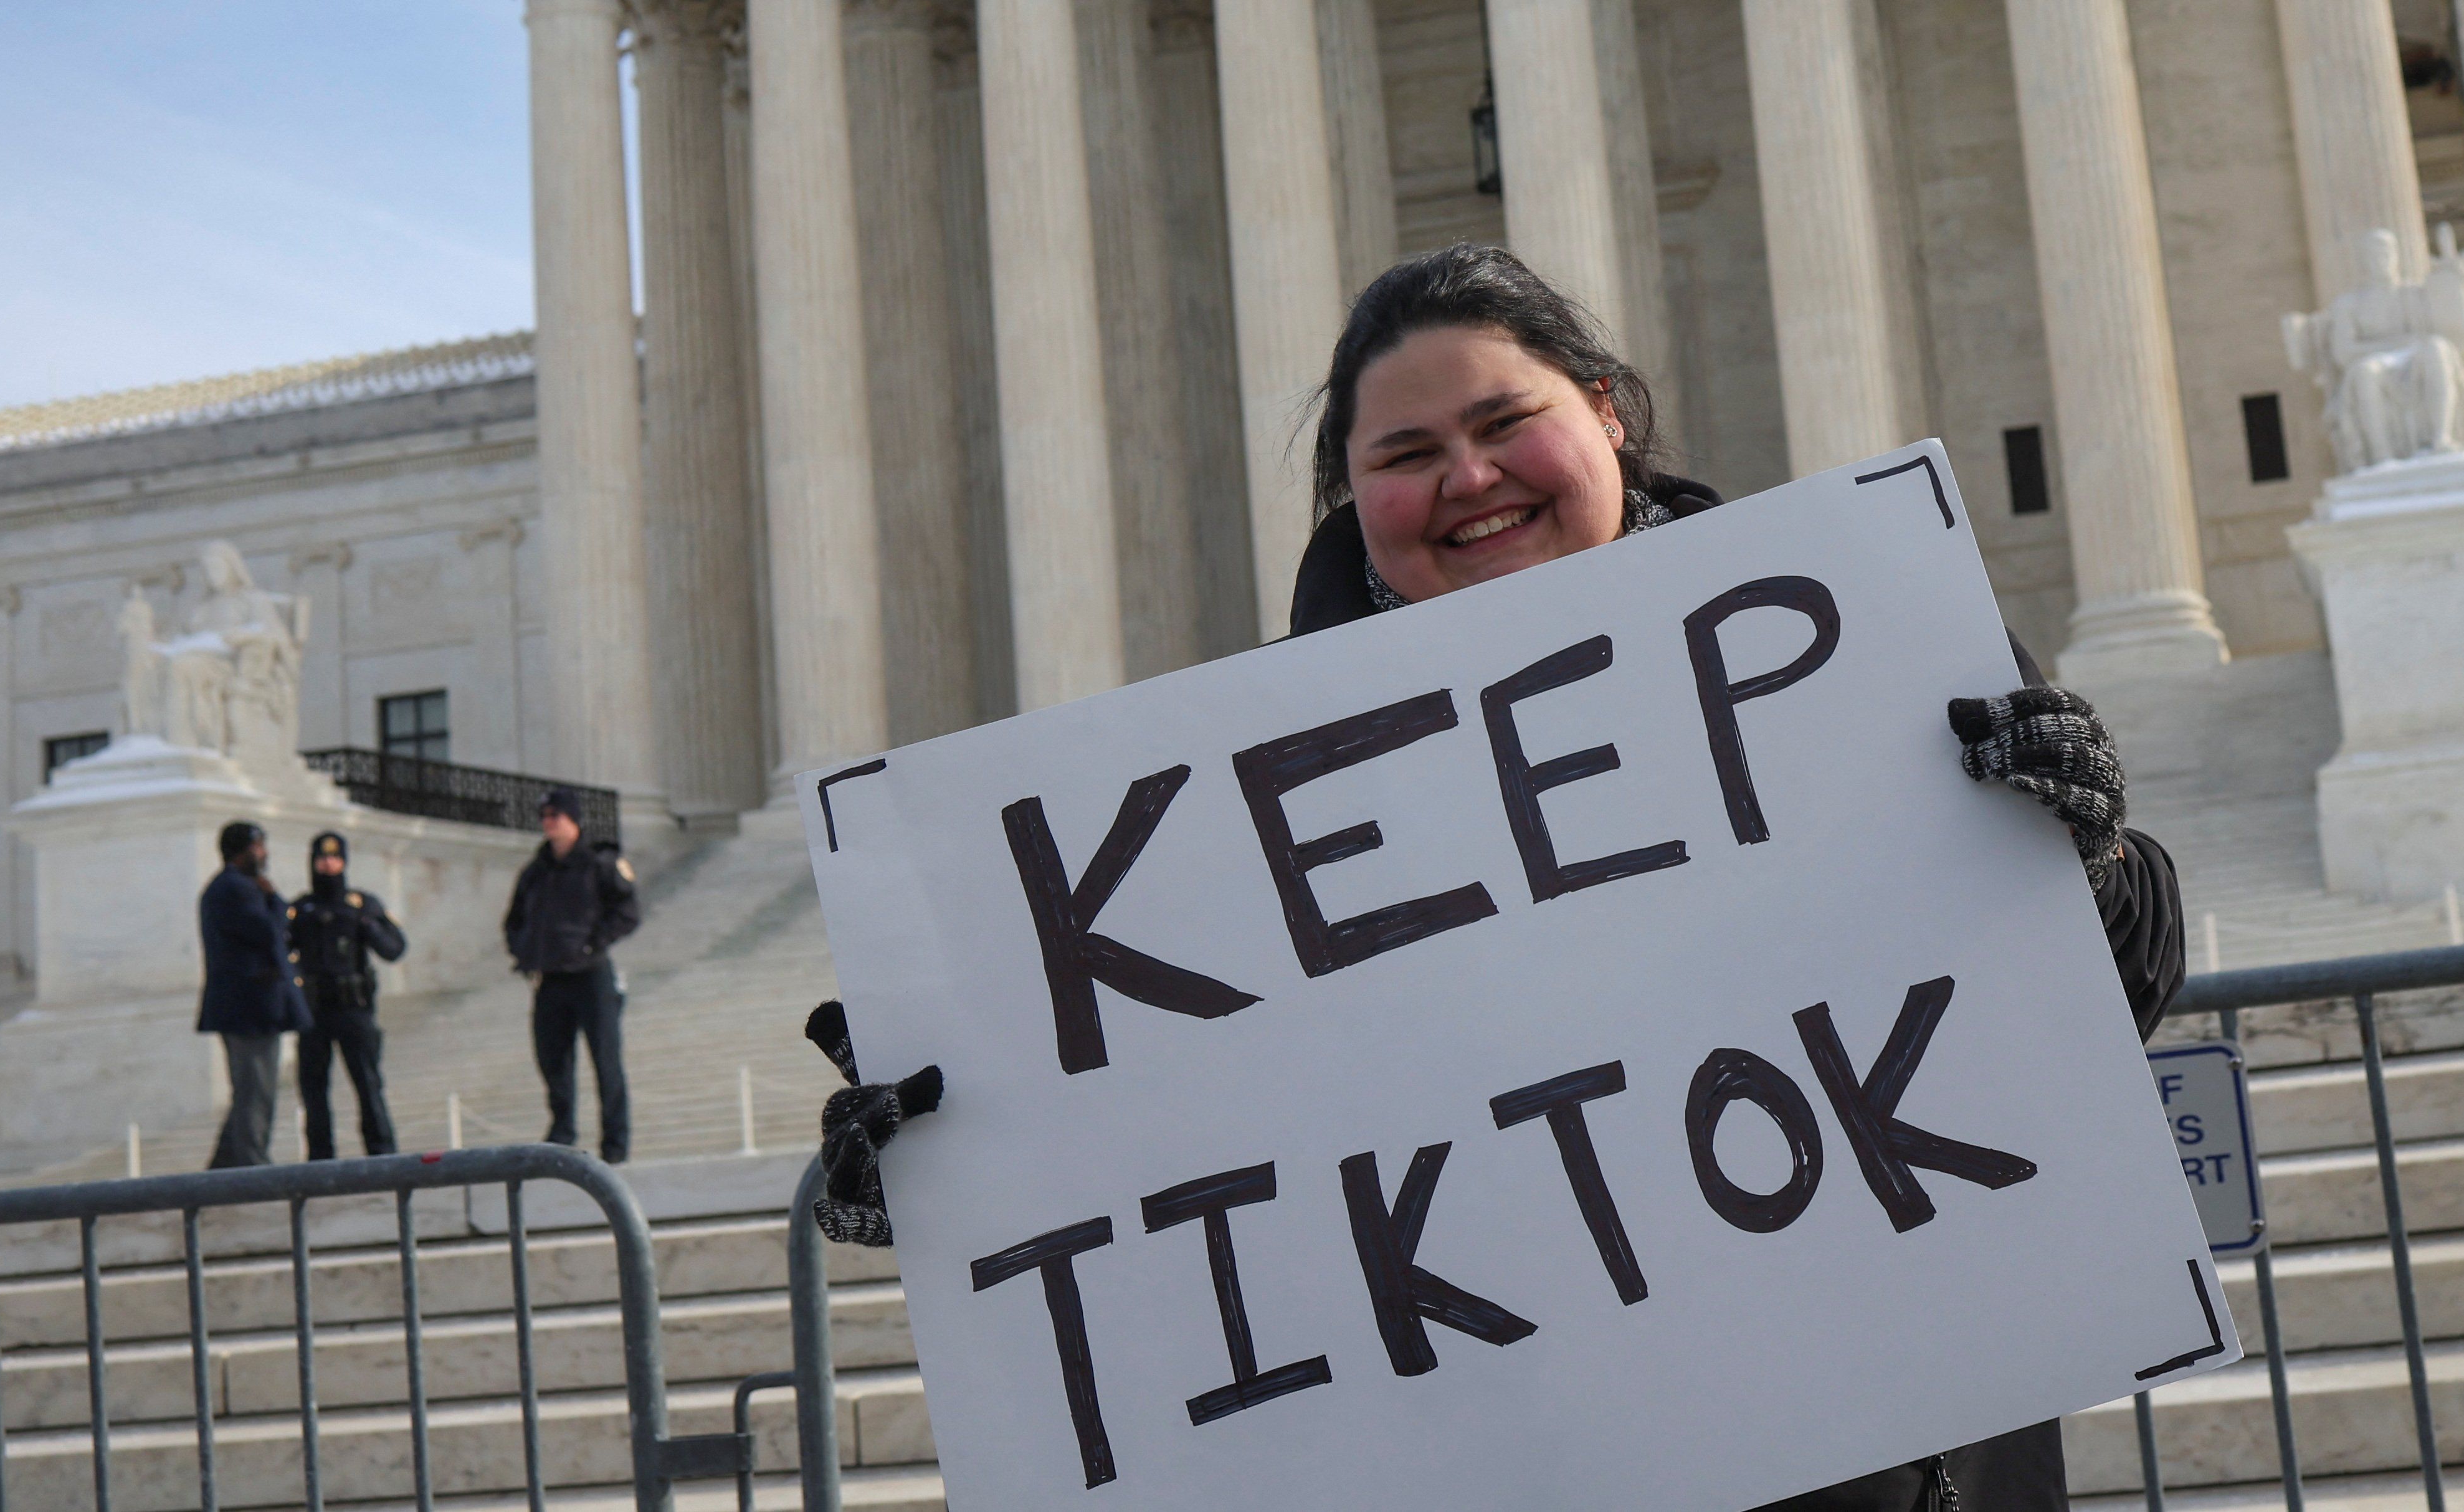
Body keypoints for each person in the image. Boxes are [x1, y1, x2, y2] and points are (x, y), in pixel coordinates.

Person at [807, 245, 2186, 1512]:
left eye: (1502, 422)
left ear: (1604, 414)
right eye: (1407, 453)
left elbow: (2120, 987)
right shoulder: (1223, 829)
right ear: (1355, 498)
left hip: (1880, 1457)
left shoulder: (1854, 645)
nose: (1468, 477)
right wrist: (953, 1175)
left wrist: (2083, 848)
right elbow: (1202, 1169)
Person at [505, 789, 641, 1163]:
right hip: (549, 979)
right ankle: (562, 1131)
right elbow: (514, 921)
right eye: (545, 815)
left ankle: (615, 1144)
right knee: (552, 1060)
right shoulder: (535, 872)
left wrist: (592, 945)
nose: (549, 821)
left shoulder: (599, 862)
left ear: (574, 819)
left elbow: (628, 911)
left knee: (606, 1061)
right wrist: (524, 953)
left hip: (591, 977)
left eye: (556, 815)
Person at [288, 830, 408, 1158]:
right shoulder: (301, 910)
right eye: (322, 858)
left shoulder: (361, 904)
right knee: (314, 1091)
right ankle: (320, 1157)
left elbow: (394, 948)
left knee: (368, 1085)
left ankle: (382, 1152)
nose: (329, 865)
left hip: (354, 1009)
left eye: (335, 858)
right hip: (315, 1012)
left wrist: (368, 925)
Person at [196, 820, 307, 1168]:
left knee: (251, 1089)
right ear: (242, 851)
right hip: (250, 1009)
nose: (264, 854)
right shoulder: (237, 889)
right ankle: (252, 1164)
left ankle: (225, 1163)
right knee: (256, 1092)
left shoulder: (232, 887)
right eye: (258, 847)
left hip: (251, 1007)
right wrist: (274, 898)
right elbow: (271, 931)